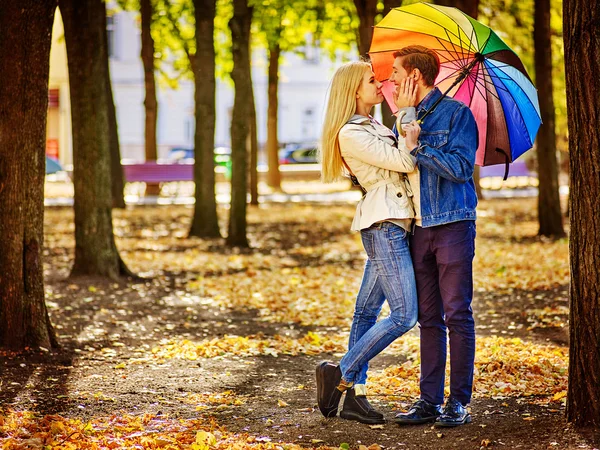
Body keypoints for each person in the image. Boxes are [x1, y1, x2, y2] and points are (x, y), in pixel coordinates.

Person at [316, 60, 422, 424]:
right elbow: (405, 162)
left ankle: (355, 398)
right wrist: (409, 136)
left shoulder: (372, 125)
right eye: (371, 81)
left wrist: (405, 118)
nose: (380, 85)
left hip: (394, 222)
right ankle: (340, 373)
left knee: (365, 312)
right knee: (405, 315)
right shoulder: (350, 133)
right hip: (384, 225)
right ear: (353, 90)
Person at [389, 46, 479, 428]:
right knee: (428, 317)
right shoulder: (402, 119)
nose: (390, 80)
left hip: (452, 224)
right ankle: (428, 400)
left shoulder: (458, 115)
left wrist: (418, 146)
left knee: (456, 312)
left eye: (396, 72)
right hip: (417, 228)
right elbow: (399, 166)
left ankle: (457, 401)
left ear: (414, 76)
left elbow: (460, 168)